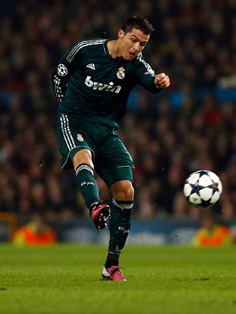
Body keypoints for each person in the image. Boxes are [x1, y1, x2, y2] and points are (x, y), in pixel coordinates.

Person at [52, 16, 170, 281]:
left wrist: (160, 82)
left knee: (126, 190)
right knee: (82, 156)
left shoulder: (136, 64)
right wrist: (65, 108)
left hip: (106, 128)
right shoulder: (85, 50)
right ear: (120, 34)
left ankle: (111, 266)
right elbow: (59, 74)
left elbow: (151, 82)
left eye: (143, 44)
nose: (137, 48)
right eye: (134, 40)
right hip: (75, 118)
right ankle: (95, 205)